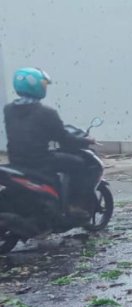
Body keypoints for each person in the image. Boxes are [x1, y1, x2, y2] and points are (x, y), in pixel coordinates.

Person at [3, 67, 97, 215]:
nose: (45, 87)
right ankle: (75, 206)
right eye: (44, 84)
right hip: (41, 161)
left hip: (16, 161)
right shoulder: (46, 113)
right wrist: (86, 141)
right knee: (79, 164)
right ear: (36, 86)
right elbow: (64, 139)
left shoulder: (8, 110)